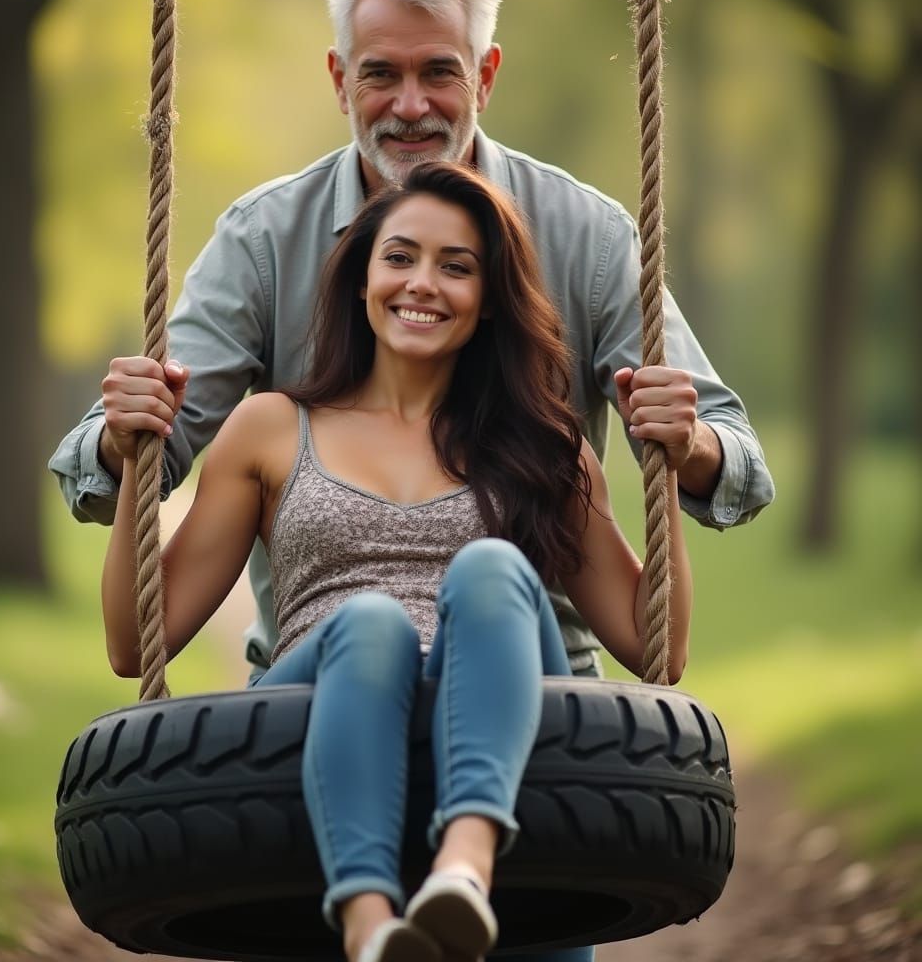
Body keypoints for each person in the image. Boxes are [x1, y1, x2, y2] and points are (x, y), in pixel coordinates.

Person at [101, 161, 694, 962]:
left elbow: (657, 649)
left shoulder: (548, 449)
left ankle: (465, 867)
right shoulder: (271, 429)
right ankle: (368, 918)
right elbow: (137, 644)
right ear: (362, 277)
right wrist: (137, 453)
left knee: (491, 572)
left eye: (457, 267)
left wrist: (674, 450)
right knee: (369, 623)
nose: (423, 283)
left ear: (489, 301)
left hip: (501, 735)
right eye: (401, 257)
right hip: (317, 709)